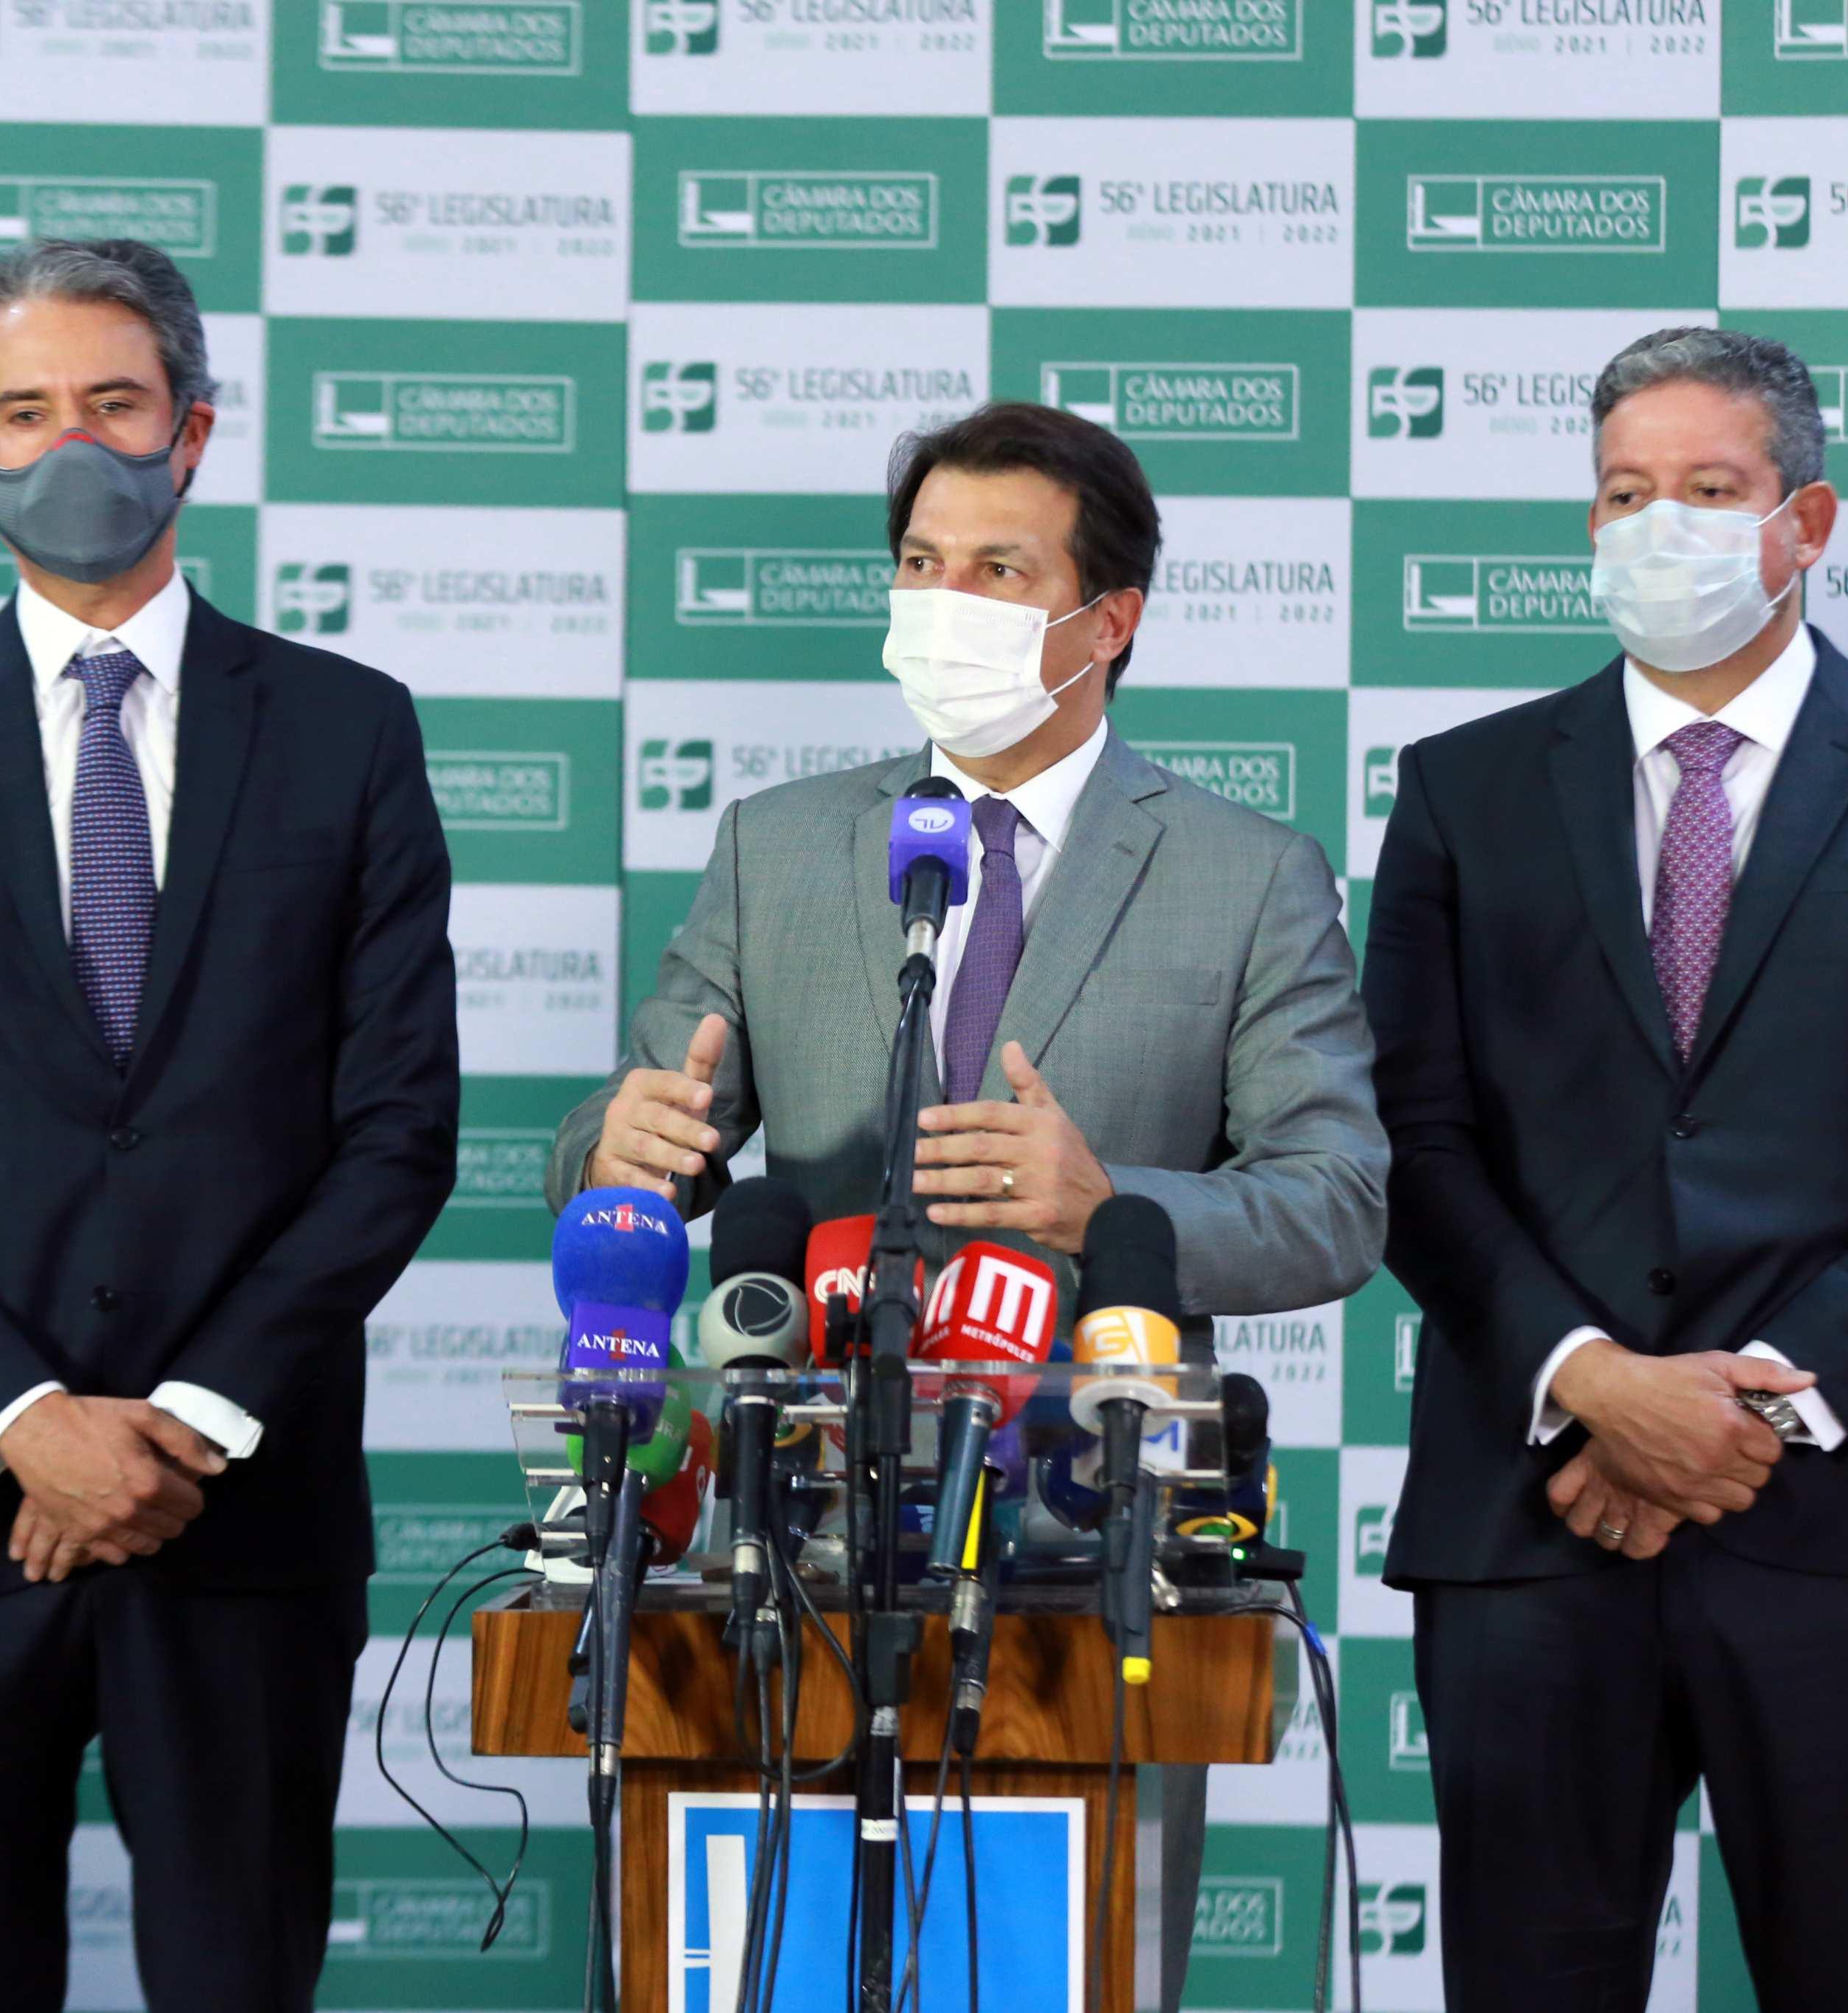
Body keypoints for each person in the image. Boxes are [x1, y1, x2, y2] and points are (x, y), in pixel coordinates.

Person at [553, 400, 1391, 2003]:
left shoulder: (1246, 873)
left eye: (999, 570)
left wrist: (1108, 1201)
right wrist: (623, 1144)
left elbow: (1337, 1197)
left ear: (1109, 618)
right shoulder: (780, 847)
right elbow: (631, 1129)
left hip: (1089, 1526)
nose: (944, 602)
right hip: (798, 1525)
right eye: (922, 563)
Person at [0, 238, 459, 2012]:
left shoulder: (348, 731)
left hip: (242, 1513)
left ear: (191, 431)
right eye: (24, 412)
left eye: (113, 403)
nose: (70, 445)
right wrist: (26, 1423)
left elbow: (396, 1131)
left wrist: (183, 1424)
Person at [1361, 327, 1848, 2012]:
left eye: (1706, 487)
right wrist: (1595, 1381)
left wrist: (1740, 1414)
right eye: (1624, 493)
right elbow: (1408, 1136)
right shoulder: (1464, 788)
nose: (1656, 525)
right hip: (1535, 1515)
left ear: (1804, 520)